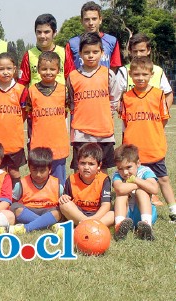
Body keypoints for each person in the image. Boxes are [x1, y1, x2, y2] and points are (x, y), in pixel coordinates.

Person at [119, 56, 175, 222]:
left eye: (144, 74)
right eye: (136, 74)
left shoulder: (158, 95)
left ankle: (173, 210)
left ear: (151, 74)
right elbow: (124, 122)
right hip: (133, 150)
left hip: (154, 147)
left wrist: (153, 132)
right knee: (131, 181)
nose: (140, 78)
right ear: (130, 75)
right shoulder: (126, 97)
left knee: (163, 179)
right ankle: (130, 211)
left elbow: (164, 119)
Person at [67, 32, 119, 174]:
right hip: (81, 132)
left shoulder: (108, 74)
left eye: (95, 52)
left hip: (104, 131)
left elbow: (114, 98)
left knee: (102, 168)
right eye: (87, 52)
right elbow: (71, 102)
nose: (91, 55)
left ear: (102, 53)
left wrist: (108, 114)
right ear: (80, 54)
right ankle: (79, 195)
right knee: (80, 168)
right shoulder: (72, 76)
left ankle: (103, 195)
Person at [0, 52, 28, 187]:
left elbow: (24, 114)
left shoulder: (21, 90)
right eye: (1, 69)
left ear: (15, 69)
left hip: (15, 142)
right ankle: (0, 196)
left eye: (9, 68)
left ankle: (16, 197)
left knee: (14, 172)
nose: (5, 72)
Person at [25, 51, 69, 185]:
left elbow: (66, 112)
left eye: (52, 69)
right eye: (44, 69)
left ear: (59, 70)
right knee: (39, 178)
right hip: (39, 143)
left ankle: (60, 203)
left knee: (58, 181)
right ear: (38, 69)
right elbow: (29, 115)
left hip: (58, 143)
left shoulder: (64, 90)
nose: (48, 72)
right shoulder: (31, 91)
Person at [9, 147, 63, 234]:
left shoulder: (57, 184)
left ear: (49, 169)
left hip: (49, 211)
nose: (38, 174)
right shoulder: (21, 184)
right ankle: (48, 224)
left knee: (58, 212)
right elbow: (12, 202)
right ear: (29, 168)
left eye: (42, 171)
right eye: (34, 170)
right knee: (16, 207)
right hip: (28, 211)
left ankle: (26, 228)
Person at [58, 143, 114, 227]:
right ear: (78, 164)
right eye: (83, 163)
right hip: (78, 214)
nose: (86, 167)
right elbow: (67, 199)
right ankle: (92, 226)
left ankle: (86, 226)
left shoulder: (104, 179)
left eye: (91, 164)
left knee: (112, 214)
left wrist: (94, 218)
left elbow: (106, 205)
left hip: (97, 214)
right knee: (64, 204)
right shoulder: (71, 179)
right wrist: (64, 197)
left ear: (99, 166)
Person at [112, 144, 158, 241]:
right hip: (126, 215)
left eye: (128, 167)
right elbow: (119, 189)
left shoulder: (145, 171)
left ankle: (146, 227)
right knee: (121, 195)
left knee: (141, 192)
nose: (125, 173)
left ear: (138, 163)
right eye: (120, 168)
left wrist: (136, 180)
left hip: (143, 212)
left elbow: (154, 189)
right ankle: (119, 228)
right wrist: (139, 184)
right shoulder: (117, 175)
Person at [115, 33, 173, 107]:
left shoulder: (158, 71)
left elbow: (168, 94)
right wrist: (125, 114)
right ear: (130, 51)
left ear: (148, 50)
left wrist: (163, 114)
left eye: (142, 51)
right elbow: (115, 97)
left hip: (154, 118)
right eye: (135, 51)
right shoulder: (123, 71)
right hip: (132, 118)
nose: (138, 54)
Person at [65, 1, 121, 72]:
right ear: (81, 21)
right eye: (87, 19)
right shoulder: (72, 43)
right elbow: (69, 72)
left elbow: (114, 68)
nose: (91, 23)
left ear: (100, 20)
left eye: (94, 19)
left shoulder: (112, 41)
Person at [18, 13, 71, 86]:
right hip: (36, 97)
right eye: (39, 32)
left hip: (59, 96)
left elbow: (71, 79)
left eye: (46, 32)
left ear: (55, 33)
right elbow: (22, 84)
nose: (42, 36)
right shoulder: (29, 55)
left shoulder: (64, 53)